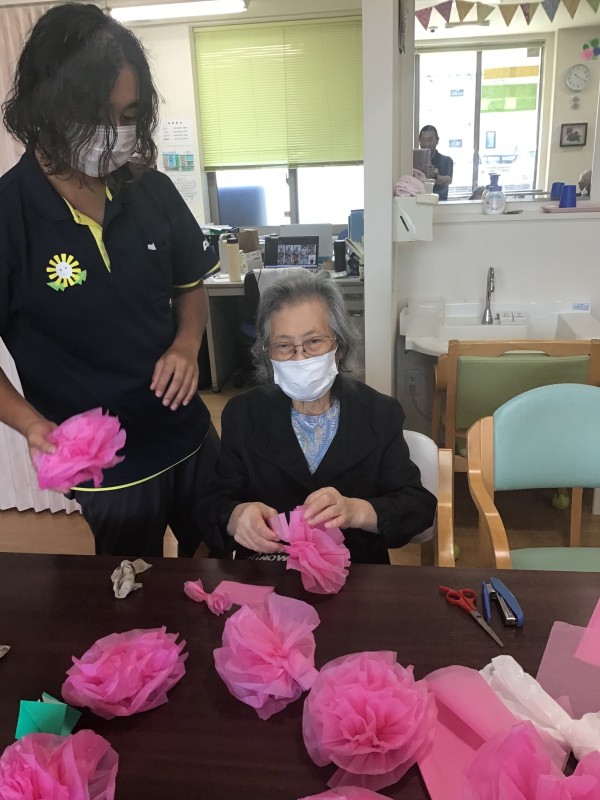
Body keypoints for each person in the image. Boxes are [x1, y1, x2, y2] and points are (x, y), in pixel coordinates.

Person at [0, 4, 221, 557]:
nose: (115, 134)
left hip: (188, 435)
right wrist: (31, 425)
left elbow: (190, 287)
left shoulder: (152, 191)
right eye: (97, 114)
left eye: (128, 115)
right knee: (134, 583)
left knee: (221, 563)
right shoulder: (7, 219)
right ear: (46, 104)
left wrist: (187, 344)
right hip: (105, 462)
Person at [205, 271, 436, 564]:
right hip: (269, 570)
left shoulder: (379, 413)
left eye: (313, 341)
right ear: (267, 353)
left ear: (339, 346)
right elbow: (212, 501)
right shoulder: (243, 414)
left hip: (356, 571)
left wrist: (356, 511)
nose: (300, 357)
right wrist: (235, 517)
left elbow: (418, 507)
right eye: (284, 346)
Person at [419, 125, 453, 201]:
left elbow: (448, 180)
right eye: (423, 140)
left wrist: (434, 175)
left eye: (430, 140)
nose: (426, 144)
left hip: (439, 204)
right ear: (419, 141)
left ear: (437, 141)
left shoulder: (446, 160)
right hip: (418, 203)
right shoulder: (413, 160)